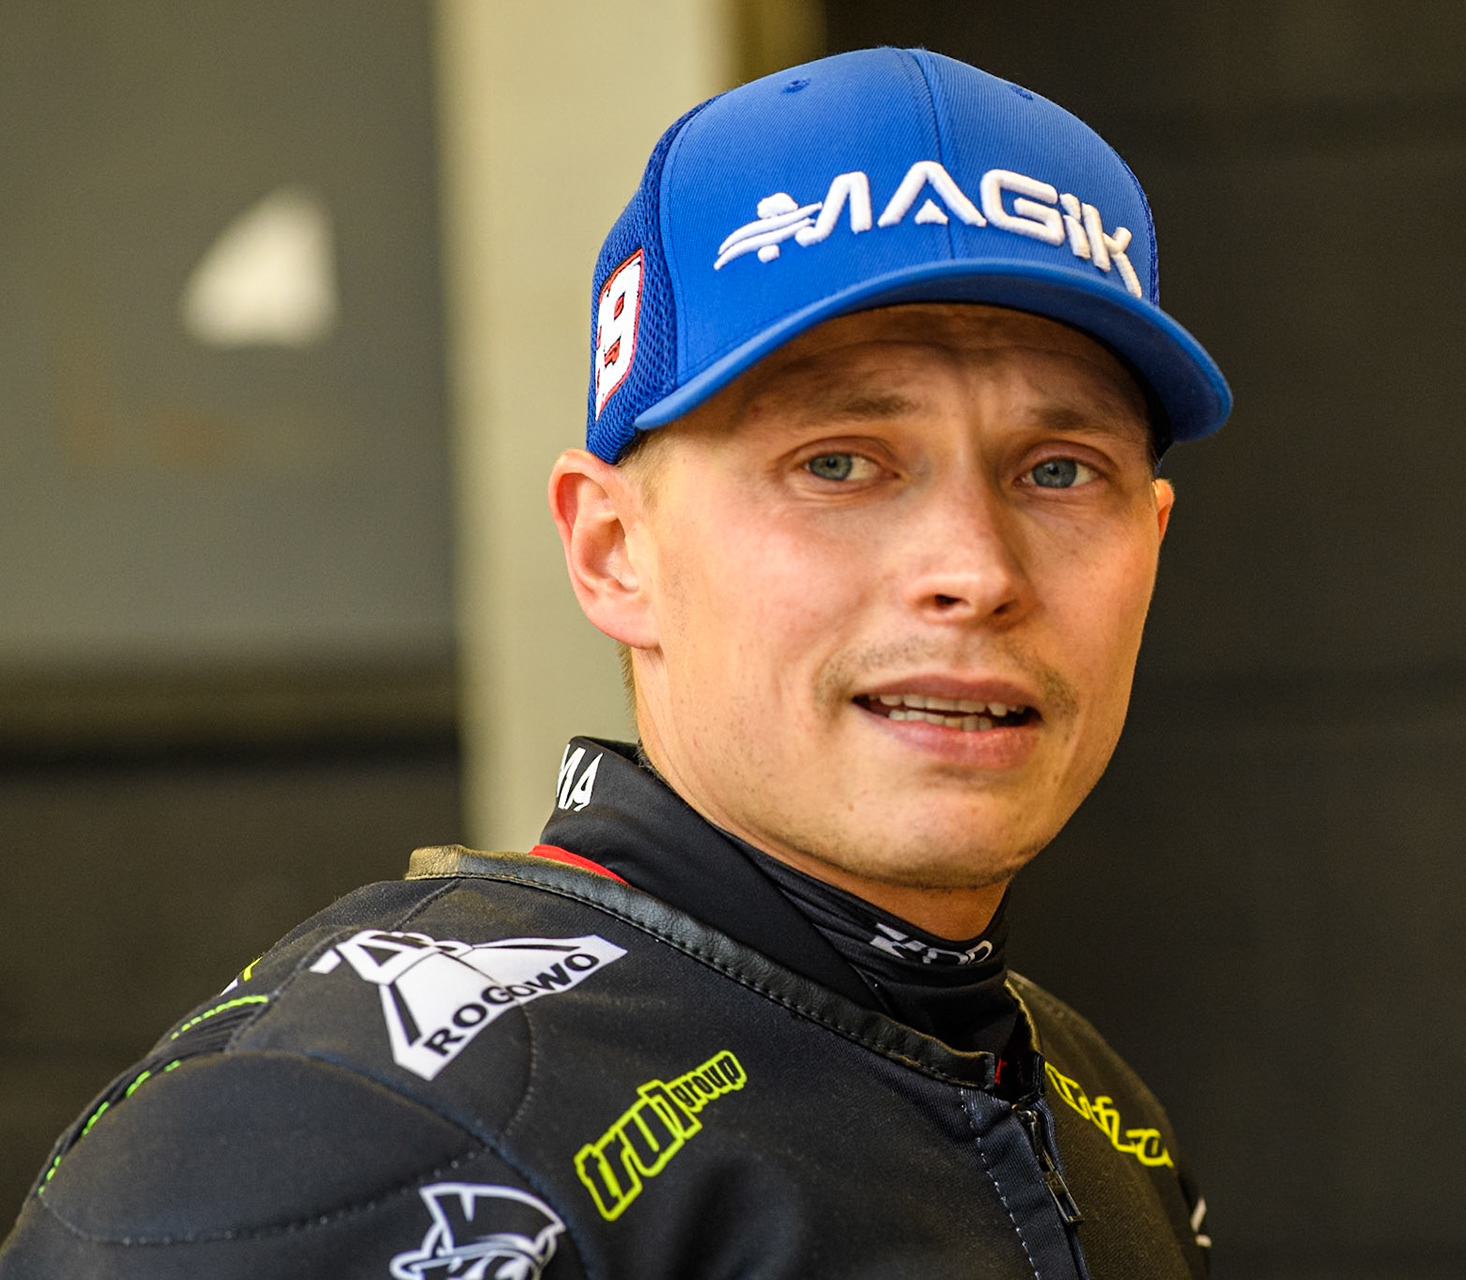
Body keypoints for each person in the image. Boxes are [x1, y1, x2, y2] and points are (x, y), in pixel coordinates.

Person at [0, 46, 1231, 1278]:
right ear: (612, 550)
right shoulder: (355, 1136)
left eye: (1059, 471)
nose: (978, 568)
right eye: (840, 462)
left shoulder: (1092, 1104)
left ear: (1154, 541)